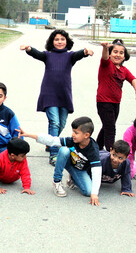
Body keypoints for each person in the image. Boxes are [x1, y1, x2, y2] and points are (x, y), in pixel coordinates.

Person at [20, 29, 94, 166]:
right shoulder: (47, 55)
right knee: (54, 122)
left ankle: (50, 142)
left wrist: (85, 52)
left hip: (64, 93)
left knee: (62, 123)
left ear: (67, 41)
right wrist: (28, 48)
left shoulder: (70, 56)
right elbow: (36, 54)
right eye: (56, 39)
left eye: (62, 39)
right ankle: (54, 153)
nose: (59, 42)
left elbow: (78, 54)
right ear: (52, 42)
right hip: (49, 93)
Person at [18, 117, 102, 206]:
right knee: (63, 150)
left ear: (86, 135)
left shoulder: (93, 150)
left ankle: (73, 178)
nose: (73, 134)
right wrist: (28, 134)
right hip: (69, 162)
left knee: (88, 192)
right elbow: (52, 140)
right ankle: (56, 181)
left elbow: (97, 171)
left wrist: (94, 194)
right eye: (73, 131)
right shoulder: (74, 141)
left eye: (76, 133)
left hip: (80, 169)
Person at [96, 39, 136, 151]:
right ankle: (111, 153)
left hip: (116, 103)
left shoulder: (124, 70)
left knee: (107, 127)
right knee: (110, 128)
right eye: (115, 52)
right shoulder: (106, 65)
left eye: (121, 53)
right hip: (104, 102)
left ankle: (96, 147)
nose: (118, 55)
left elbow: (133, 79)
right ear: (110, 54)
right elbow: (105, 57)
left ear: (125, 56)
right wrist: (105, 48)